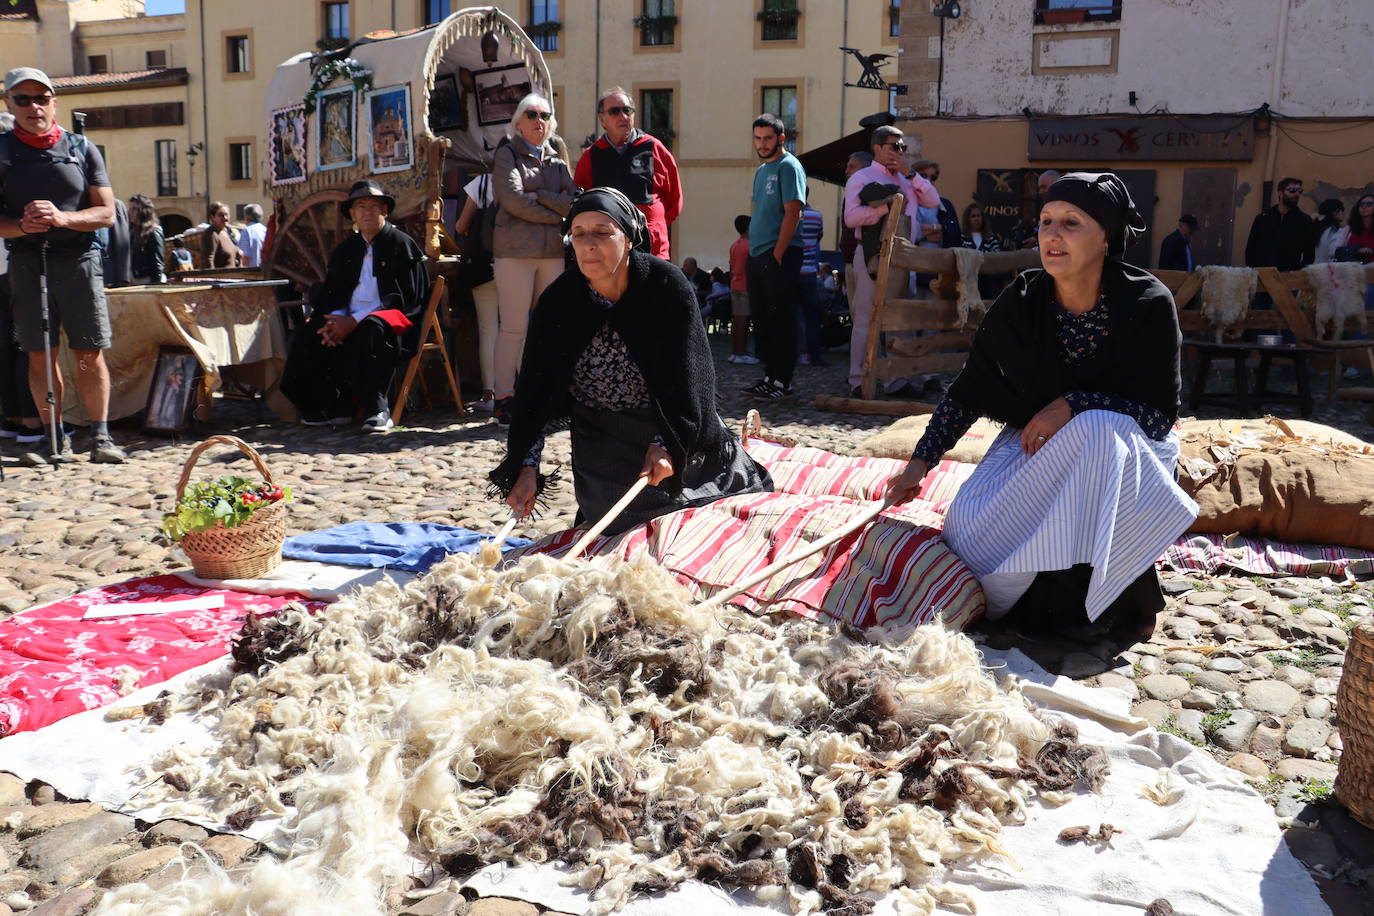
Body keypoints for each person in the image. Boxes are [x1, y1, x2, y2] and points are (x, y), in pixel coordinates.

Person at [885, 172, 1197, 641]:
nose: (1053, 234)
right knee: (965, 529)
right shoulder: (1024, 299)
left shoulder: (1147, 302)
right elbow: (970, 388)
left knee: (1095, 434)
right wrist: (919, 463)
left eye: (1072, 223)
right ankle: (1030, 589)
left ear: (1107, 236)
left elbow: (1158, 415)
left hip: (1131, 451)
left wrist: (1075, 404)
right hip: (1042, 445)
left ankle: (1085, 599)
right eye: (1047, 221)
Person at [492, 187, 772, 535]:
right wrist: (526, 468)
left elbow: (691, 380)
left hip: (671, 423)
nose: (588, 243)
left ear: (628, 239)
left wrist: (667, 444)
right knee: (626, 522)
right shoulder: (559, 304)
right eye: (578, 234)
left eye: (602, 232)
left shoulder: (666, 287)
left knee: (712, 508)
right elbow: (534, 394)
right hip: (602, 438)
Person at [0, 67, 125, 464]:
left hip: (79, 261)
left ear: (55, 102)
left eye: (42, 98)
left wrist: (63, 219)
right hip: (26, 262)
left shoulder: (82, 148)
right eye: (23, 99)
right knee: (40, 353)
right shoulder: (1, 152)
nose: (33, 106)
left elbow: (107, 213)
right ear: (8, 104)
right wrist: (22, 225)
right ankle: (53, 436)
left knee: (89, 351)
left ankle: (100, 437)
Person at [280, 180, 429, 433]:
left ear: (384, 210)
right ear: (352, 214)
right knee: (311, 330)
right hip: (348, 317)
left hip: (392, 318)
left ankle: (378, 409)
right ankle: (330, 407)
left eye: (374, 206)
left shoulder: (400, 244)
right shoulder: (347, 249)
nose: (367, 212)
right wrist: (335, 320)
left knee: (373, 328)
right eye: (361, 207)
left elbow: (405, 299)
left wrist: (355, 320)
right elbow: (333, 292)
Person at [491, 92, 574, 428]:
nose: (539, 121)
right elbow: (511, 200)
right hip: (514, 252)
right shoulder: (507, 153)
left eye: (545, 115)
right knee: (513, 328)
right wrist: (552, 211)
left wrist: (538, 196)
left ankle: (540, 394)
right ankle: (504, 398)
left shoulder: (557, 160)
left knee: (548, 328)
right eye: (532, 114)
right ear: (518, 121)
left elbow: (573, 202)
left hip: (550, 253)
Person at [842, 126, 939, 397]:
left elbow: (933, 200)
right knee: (866, 319)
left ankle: (897, 381)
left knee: (900, 319)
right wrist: (887, 210)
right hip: (873, 255)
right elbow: (851, 218)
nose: (899, 151)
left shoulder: (907, 179)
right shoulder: (863, 177)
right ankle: (858, 381)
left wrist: (911, 173)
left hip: (905, 256)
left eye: (902, 147)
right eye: (894, 146)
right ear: (877, 147)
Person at [741, 113, 808, 401]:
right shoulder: (761, 171)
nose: (762, 143)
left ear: (781, 138)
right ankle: (769, 376)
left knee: (781, 318)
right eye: (758, 138)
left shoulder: (789, 166)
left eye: (768, 138)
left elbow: (794, 211)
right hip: (758, 254)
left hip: (780, 254)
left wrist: (778, 252)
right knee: (763, 319)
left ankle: (783, 381)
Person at [573, 87, 682, 260]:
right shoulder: (591, 156)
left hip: (652, 246)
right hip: (608, 248)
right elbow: (581, 200)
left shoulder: (654, 148)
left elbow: (674, 198)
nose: (623, 116)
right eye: (615, 111)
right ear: (602, 119)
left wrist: (656, 223)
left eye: (627, 110)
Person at [453, 171, 498, 412]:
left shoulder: (481, 183)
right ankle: (516, 391)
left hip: (483, 265)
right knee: (518, 330)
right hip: (516, 263)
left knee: (489, 330)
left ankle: (490, 395)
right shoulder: (527, 178)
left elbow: (460, 225)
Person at [1244, 177, 1315, 271]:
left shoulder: (1304, 220)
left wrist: (1298, 272)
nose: (1297, 194)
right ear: (1280, 193)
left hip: (1290, 277)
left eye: (1299, 191)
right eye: (1292, 190)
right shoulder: (1263, 219)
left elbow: (1309, 254)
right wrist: (1254, 270)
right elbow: (1251, 249)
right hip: (1263, 276)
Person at [796, 202, 827, 366]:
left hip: (792, 272)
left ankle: (796, 353)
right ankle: (814, 354)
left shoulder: (787, 214)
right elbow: (818, 237)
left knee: (793, 315)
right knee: (812, 317)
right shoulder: (817, 216)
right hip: (809, 271)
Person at [726, 214, 758, 364]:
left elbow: (731, 267)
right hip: (746, 285)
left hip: (735, 284)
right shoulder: (750, 245)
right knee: (744, 320)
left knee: (737, 320)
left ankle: (734, 352)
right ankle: (741, 352)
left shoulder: (734, 245)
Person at [961, 202, 1005, 299]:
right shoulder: (962, 237)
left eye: (978, 216)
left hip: (987, 280)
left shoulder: (990, 237)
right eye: (973, 216)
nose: (976, 219)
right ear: (968, 219)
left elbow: (997, 254)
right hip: (968, 280)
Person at [1009, 168, 1061, 251]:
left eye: (1043, 187)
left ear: (1055, 185)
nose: (1040, 192)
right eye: (1039, 188)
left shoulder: (1068, 209)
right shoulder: (1045, 208)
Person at [128, 194, 164, 285]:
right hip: (135, 279)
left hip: (148, 281)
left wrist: (156, 286)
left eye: (134, 209)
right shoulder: (132, 231)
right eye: (130, 208)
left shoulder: (154, 232)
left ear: (144, 211)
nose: (130, 212)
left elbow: (157, 264)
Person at [201, 200, 242, 269]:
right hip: (220, 278)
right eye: (221, 215)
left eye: (226, 214)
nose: (225, 218)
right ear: (212, 217)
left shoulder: (227, 231)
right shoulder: (211, 234)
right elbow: (208, 261)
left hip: (232, 277)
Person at [1313, 198, 1347, 264]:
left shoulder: (1315, 228)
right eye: (1337, 210)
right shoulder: (1338, 231)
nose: (1341, 212)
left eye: (1342, 209)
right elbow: (1334, 253)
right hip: (1327, 269)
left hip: (1312, 268)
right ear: (1329, 212)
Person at [238, 203, 267, 268]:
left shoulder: (247, 231)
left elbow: (245, 257)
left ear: (246, 216)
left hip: (251, 272)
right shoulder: (265, 230)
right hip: (265, 270)